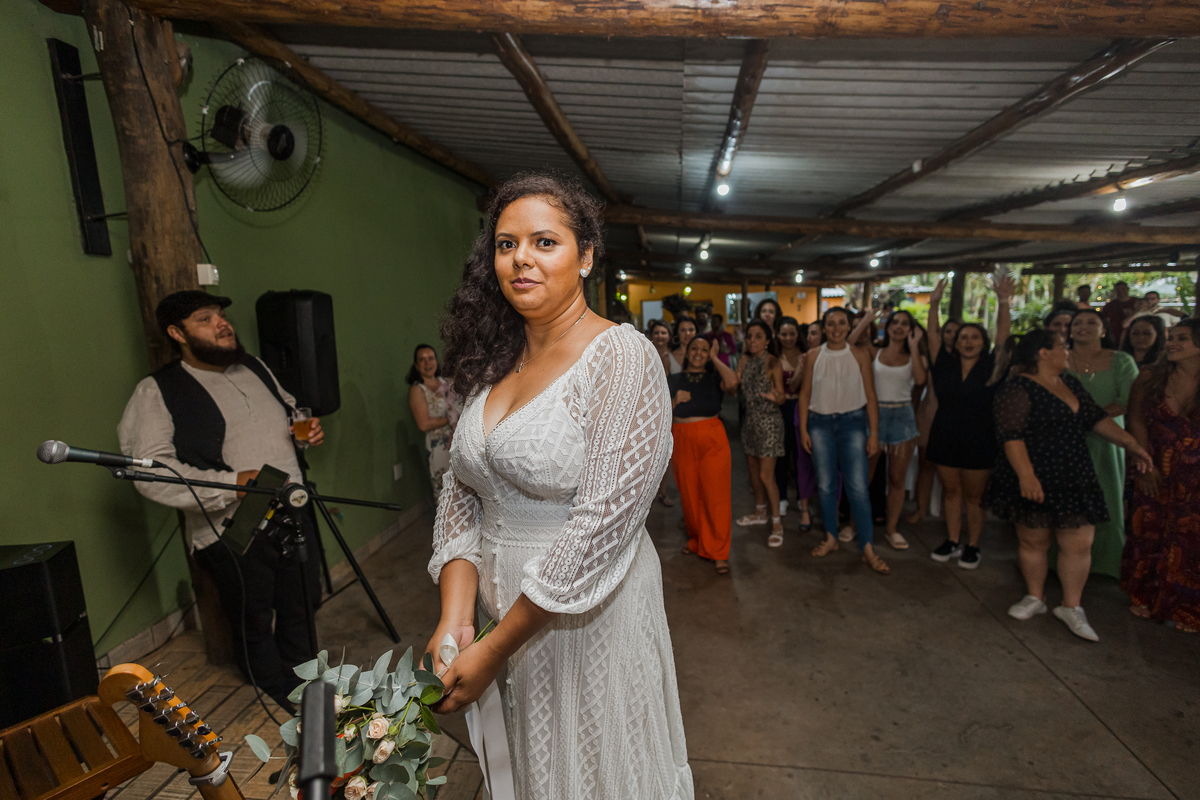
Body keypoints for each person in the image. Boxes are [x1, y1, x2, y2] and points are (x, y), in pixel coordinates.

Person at [428, 174, 692, 798]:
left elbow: (604, 523)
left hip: (587, 615)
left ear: (587, 255)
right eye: (505, 244)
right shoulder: (490, 362)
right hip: (498, 616)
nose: (521, 257)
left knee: (594, 769)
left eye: (545, 242)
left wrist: (495, 648)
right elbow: (463, 491)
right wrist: (455, 622)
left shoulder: (621, 358)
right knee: (527, 769)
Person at [118, 290, 323, 710]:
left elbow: (289, 409)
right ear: (177, 333)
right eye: (205, 319)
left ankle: (307, 683)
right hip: (236, 520)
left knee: (303, 599)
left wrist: (307, 427)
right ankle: (273, 693)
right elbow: (149, 471)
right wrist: (232, 482)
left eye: (221, 315)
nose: (222, 323)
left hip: (292, 503)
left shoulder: (255, 367)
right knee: (254, 614)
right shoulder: (157, 391)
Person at [983, 329, 1151, 642]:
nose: (1068, 350)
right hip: (1036, 472)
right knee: (1034, 540)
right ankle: (1035, 596)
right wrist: (1026, 475)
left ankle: (1071, 605)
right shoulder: (1018, 388)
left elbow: (1095, 419)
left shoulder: (1070, 383)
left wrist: (1132, 445)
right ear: (1043, 353)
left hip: (1073, 473)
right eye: (1062, 345)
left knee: (1079, 542)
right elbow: (1011, 437)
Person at [925, 275, 1014, 569]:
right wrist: (934, 303)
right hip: (946, 434)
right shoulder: (944, 364)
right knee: (951, 492)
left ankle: (973, 544)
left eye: (974, 337)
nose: (968, 341)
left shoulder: (992, 366)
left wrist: (1003, 301)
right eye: (963, 337)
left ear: (982, 342)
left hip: (980, 438)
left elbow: (1003, 337)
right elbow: (933, 335)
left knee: (974, 497)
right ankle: (952, 539)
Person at [1123, 319, 1200, 633]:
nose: (1171, 344)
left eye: (1181, 338)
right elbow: (1135, 418)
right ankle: (1144, 593)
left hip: (1194, 474)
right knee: (1150, 527)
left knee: (1190, 537)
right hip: (1154, 464)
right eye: (1170, 338)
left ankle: (1186, 607)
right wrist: (1145, 461)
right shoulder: (1151, 377)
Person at [799, 307, 888, 574]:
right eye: (831, 324)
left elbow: (871, 395)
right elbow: (805, 394)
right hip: (820, 424)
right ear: (824, 327)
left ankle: (868, 546)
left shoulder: (860, 354)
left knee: (858, 488)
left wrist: (874, 432)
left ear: (850, 326)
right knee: (825, 486)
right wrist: (803, 429)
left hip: (853, 424)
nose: (836, 328)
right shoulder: (814, 355)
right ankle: (831, 537)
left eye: (841, 323)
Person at [1064, 309, 1139, 578]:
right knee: (1064, 500)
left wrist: (1090, 418)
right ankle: (1057, 561)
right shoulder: (1058, 359)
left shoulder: (1121, 361)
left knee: (1106, 497)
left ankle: (1106, 564)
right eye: (1077, 323)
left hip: (1107, 439)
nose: (1083, 327)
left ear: (1104, 330)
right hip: (1064, 441)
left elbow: (1127, 400)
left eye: (1091, 323)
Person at [853, 309, 927, 549]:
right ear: (887, 326)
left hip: (902, 417)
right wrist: (866, 321)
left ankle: (892, 529)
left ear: (911, 329)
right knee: (865, 476)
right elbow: (848, 346)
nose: (898, 327)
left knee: (896, 479)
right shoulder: (873, 351)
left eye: (905, 324)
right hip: (875, 415)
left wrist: (915, 346)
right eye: (895, 322)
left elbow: (919, 380)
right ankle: (855, 524)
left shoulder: (914, 355)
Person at [669, 337, 739, 575]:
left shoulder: (714, 377)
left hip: (712, 439)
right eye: (695, 349)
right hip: (681, 438)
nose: (699, 353)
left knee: (715, 495)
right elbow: (656, 414)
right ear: (686, 352)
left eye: (704, 350)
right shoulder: (673, 380)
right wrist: (674, 401)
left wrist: (715, 359)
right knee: (690, 496)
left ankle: (719, 551)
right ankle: (699, 542)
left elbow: (733, 382)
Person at [734, 320, 787, 545]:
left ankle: (776, 522)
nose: (752, 341)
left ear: (767, 340)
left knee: (767, 476)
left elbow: (782, 395)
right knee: (754, 474)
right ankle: (759, 512)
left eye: (758, 336)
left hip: (769, 424)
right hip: (750, 423)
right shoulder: (744, 360)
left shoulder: (773, 362)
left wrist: (777, 398)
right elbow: (734, 386)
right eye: (749, 337)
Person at [909, 318, 960, 523]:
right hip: (929, 412)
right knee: (925, 464)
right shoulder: (931, 358)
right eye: (948, 331)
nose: (952, 336)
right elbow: (918, 387)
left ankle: (957, 514)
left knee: (959, 468)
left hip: (958, 418)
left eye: (957, 332)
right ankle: (921, 509)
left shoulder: (970, 360)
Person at [775, 318, 814, 528]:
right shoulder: (774, 358)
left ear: (798, 334)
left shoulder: (807, 355)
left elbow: (798, 385)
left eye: (792, 334)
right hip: (779, 409)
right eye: (784, 334)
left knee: (801, 455)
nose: (788, 338)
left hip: (801, 408)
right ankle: (782, 496)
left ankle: (802, 496)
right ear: (778, 336)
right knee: (781, 454)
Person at [407, 344, 460, 495]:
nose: (427, 363)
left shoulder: (447, 383)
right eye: (422, 360)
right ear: (416, 366)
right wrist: (451, 420)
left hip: (459, 442)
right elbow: (424, 424)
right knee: (446, 492)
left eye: (430, 358)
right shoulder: (417, 390)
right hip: (439, 448)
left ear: (436, 361)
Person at [646, 319, 677, 506]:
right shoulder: (645, 354)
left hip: (668, 408)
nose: (660, 336)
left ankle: (663, 493)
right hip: (647, 407)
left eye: (663, 333)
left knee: (665, 452)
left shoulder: (674, 356)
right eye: (656, 333)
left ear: (669, 336)